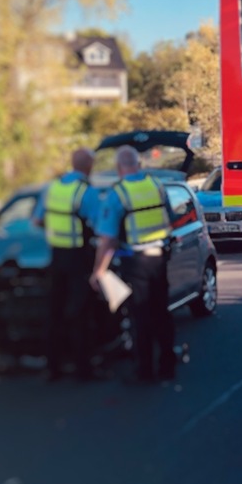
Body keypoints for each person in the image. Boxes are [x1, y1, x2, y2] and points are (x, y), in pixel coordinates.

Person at [90, 145, 177, 383]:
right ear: (139, 165)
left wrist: (98, 270)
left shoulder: (118, 193)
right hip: (159, 258)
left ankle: (144, 371)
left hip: (135, 262)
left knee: (141, 317)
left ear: (119, 168)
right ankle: (168, 365)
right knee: (162, 313)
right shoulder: (156, 186)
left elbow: (107, 239)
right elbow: (170, 219)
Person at [34, 147, 100, 381]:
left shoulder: (52, 188)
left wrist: (56, 230)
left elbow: (38, 220)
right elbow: (101, 226)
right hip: (78, 258)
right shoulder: (87, 192)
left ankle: (53, 367)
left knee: (55, 311)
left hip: (56, 257)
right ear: (89, 166)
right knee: (80, 312)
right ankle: (83, 369)